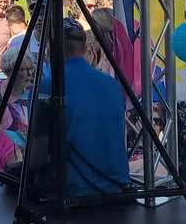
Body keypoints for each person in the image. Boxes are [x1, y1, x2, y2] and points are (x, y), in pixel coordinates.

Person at [42, 18, 129, 197]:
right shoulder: (112, 84)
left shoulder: (48, 84)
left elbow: (38, 153)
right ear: (84, 48)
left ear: (51, 48)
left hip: (71, 192)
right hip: (115, 189)